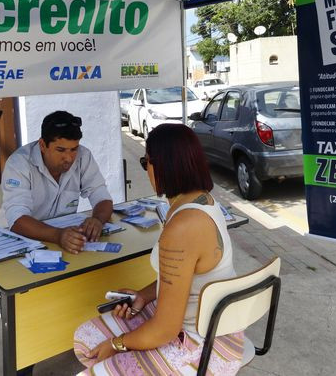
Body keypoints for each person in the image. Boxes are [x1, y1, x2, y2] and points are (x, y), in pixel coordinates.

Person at [73, 123, 246, 375]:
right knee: (84, 338)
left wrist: (117, 345)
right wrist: (143, 296)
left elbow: (164, 329)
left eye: (146, 162)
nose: (146, 170)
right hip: (211, 323)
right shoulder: (202, 200)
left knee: (93, 359)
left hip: (205, 345)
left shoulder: (183, 227)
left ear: (163, 165)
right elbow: (184, 279)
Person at [0, 110, 114, 254]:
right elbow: (17, 220)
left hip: (58, 241)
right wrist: (58, 235)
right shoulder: (19, 163)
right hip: (11, 243)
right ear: (42, 145)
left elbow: (101, 195)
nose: (69, 158)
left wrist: (97, 220)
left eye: (73, 149)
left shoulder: (83, 156)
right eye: (60, 150)